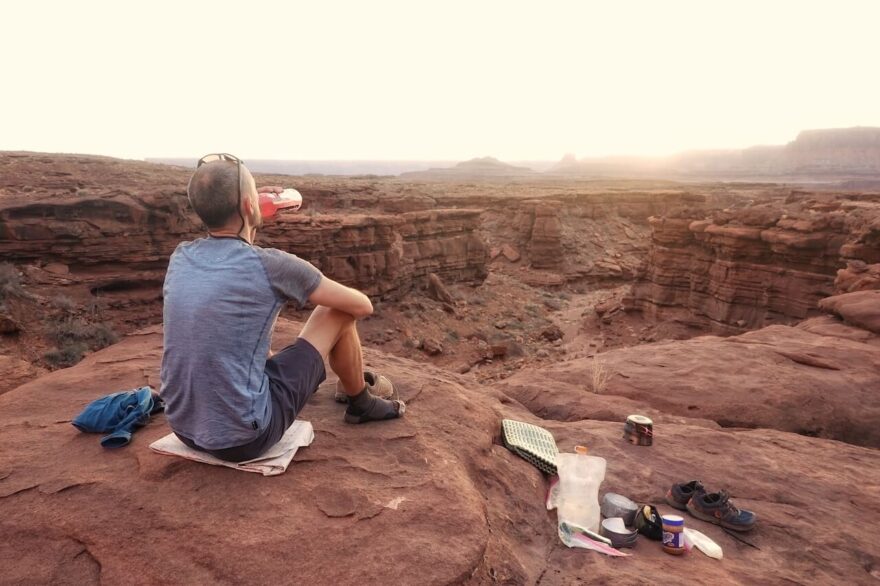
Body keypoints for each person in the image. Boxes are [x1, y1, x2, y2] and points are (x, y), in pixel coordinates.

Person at [159, 153, 404, 463]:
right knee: (337, 312)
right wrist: (250, 219)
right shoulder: (271, 265)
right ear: (250, 206)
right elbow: (361, 305)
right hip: (244, 437)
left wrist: (247, 219)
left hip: (183, 426)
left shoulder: (181, 256)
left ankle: (335, 386)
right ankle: (362, 403)